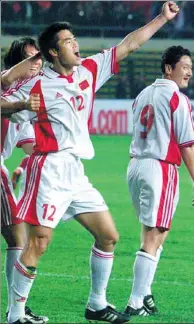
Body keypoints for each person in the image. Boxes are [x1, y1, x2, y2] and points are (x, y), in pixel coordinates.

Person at [1, 3, 180, 323]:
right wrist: (19, 104)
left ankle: (96, 304)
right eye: (68, 41)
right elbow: (3, 103)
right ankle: (15, 315)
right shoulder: (37, 84)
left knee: (108, 235)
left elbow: (130, 44)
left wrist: (162, 18)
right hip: (49, 170)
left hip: (76, 172)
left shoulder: (89, 69)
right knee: (38, 244)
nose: (75, 44)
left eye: (74, 39)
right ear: (53, 52)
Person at [124, 45, 194, 317]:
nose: (189, 72)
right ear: (169, 68)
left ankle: (146, 292)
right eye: (185, 66)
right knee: (156, 236)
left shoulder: (142, 94)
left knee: (151, 233)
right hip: (161, 167)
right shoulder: (178, 99)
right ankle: (135, 301)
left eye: (190, 67)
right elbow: (187, 145)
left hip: (136, 166)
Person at [1, 38, 48, 323]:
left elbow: (33, 148)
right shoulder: (5, 85)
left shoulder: (25, 104)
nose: (35, 68)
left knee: (17, 237)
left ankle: (14, 308)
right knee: (17, 238)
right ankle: (14, 310)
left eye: (38, 63)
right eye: (30, 61)